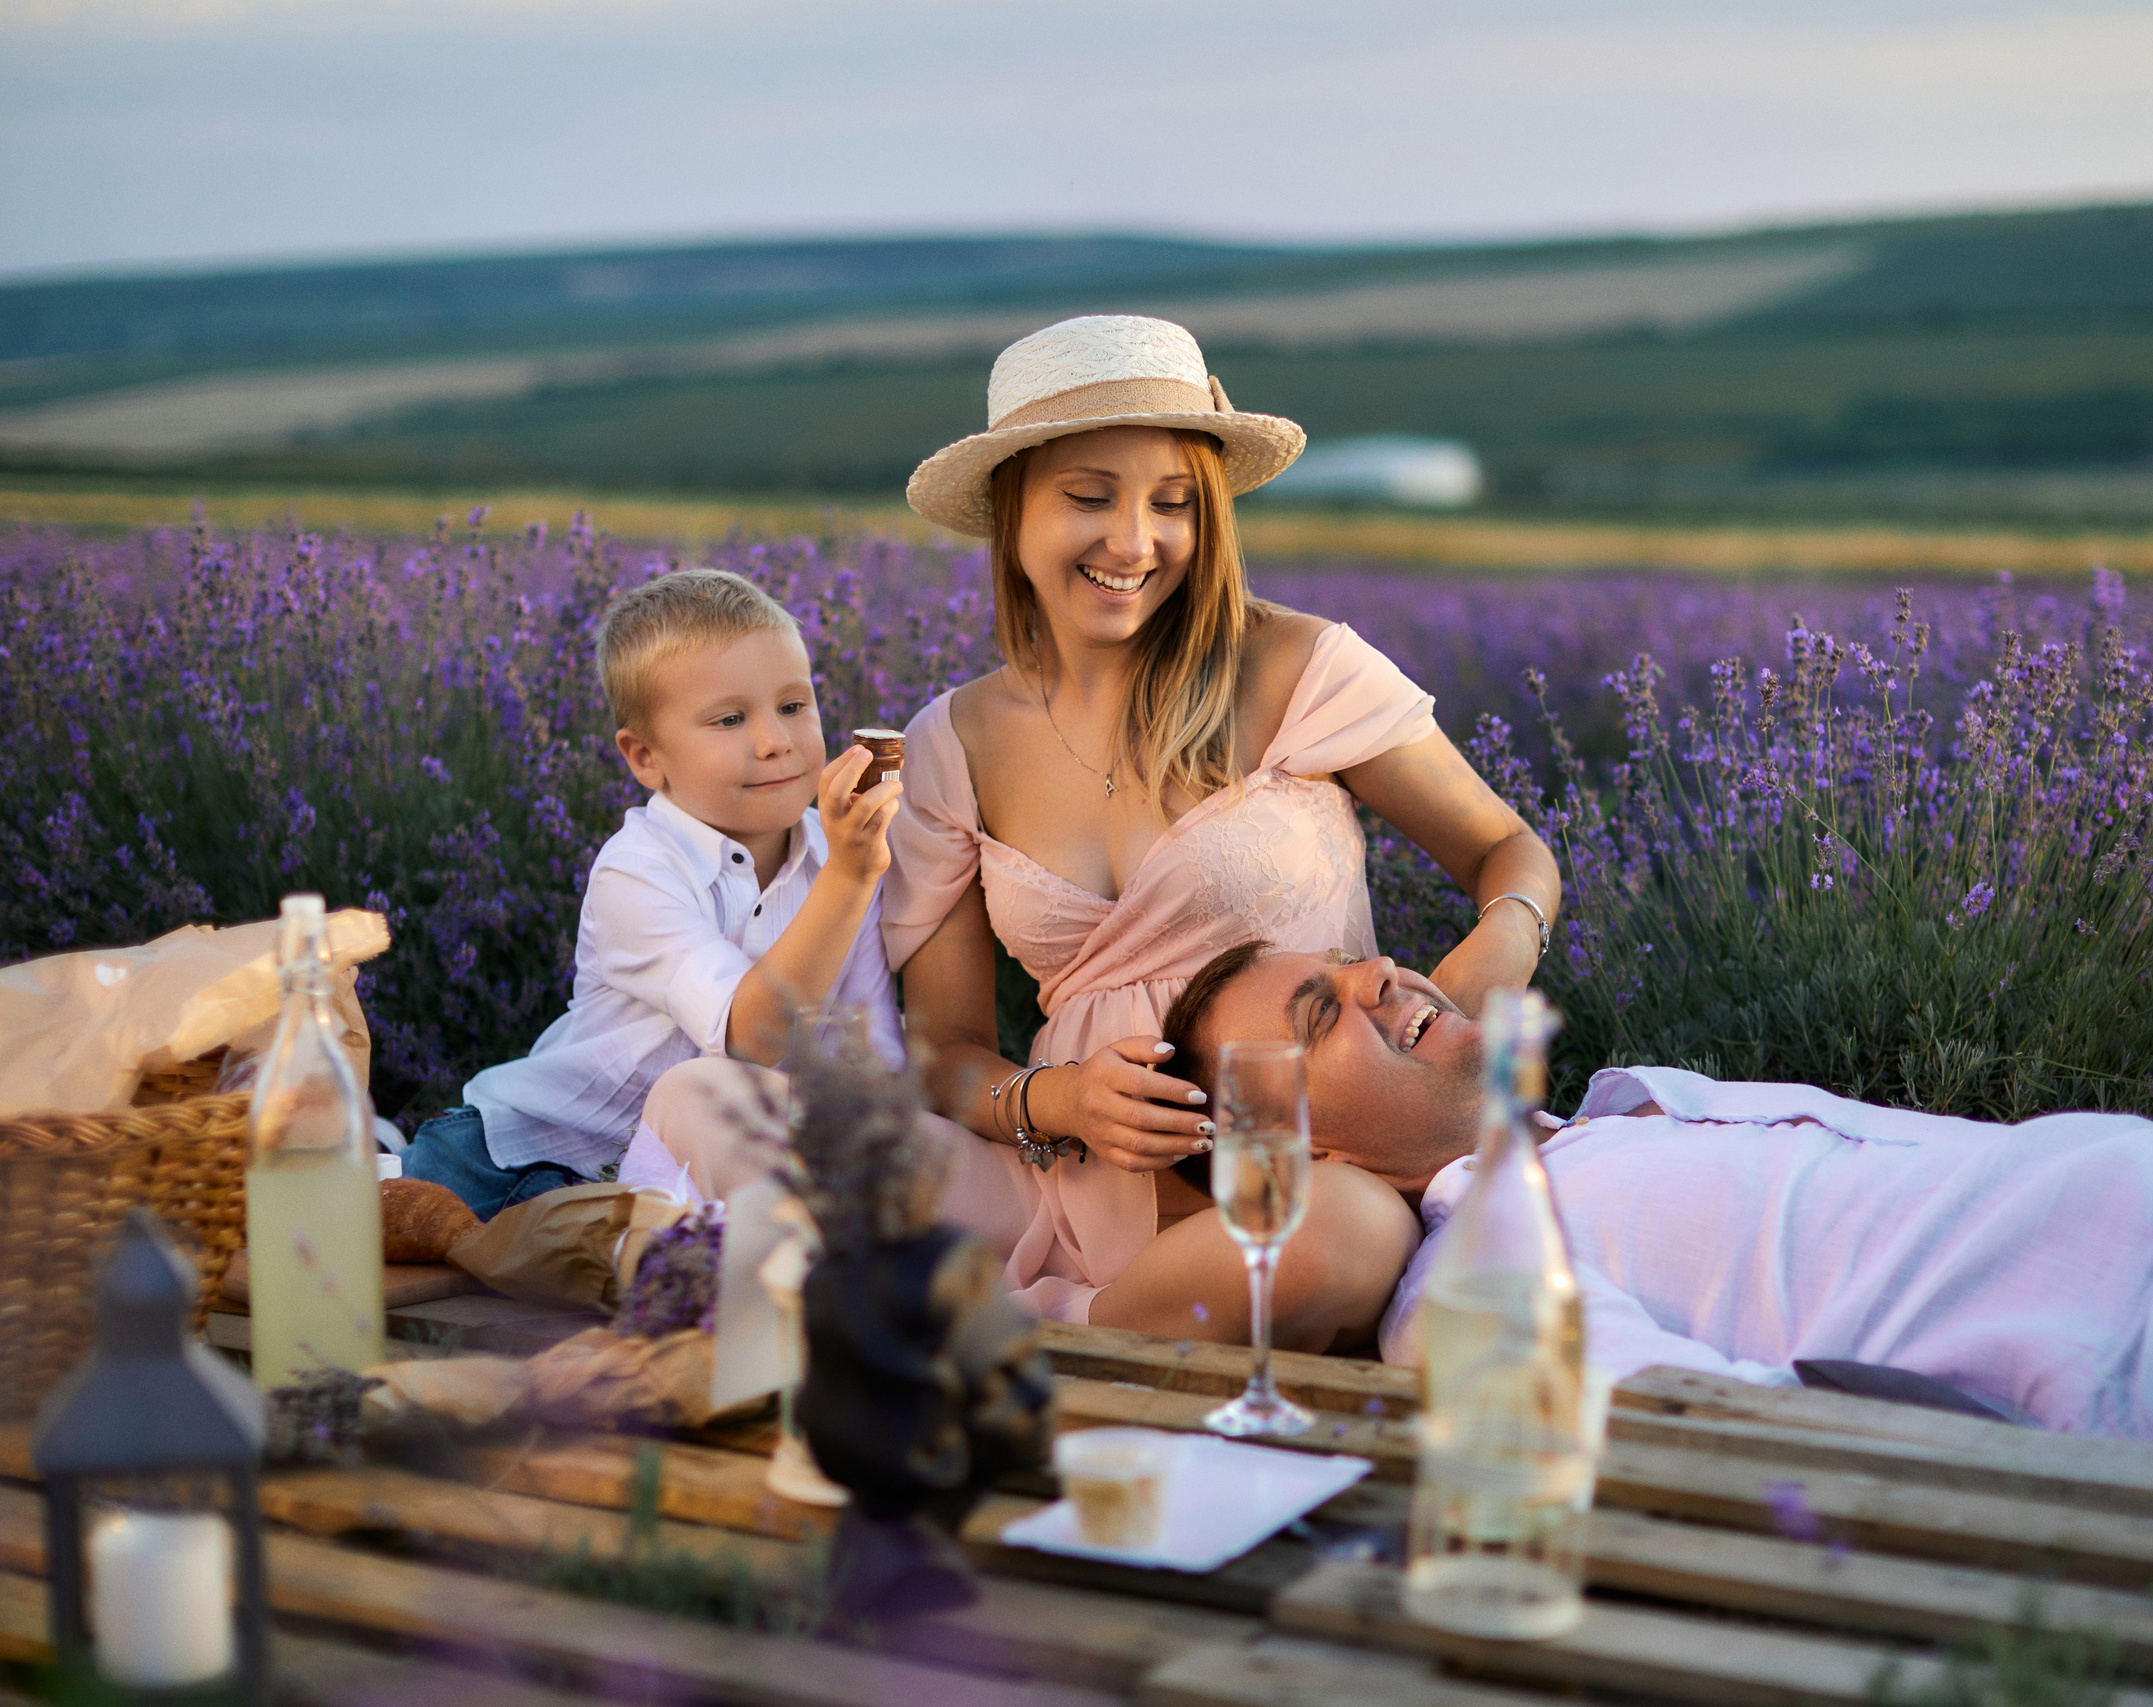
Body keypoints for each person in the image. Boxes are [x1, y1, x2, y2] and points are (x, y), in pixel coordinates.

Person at [1162, 871, 2153, 1464]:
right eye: (1315, 1016)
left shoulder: (1610, 1119)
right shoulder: (1472, 1282)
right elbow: (1742, 1438)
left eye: (1352, 962)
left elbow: (1946, 1225)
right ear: (1304, 1149)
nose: (1375, 975)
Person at [882, 313, 1559, 1346]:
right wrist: (1053, 1100)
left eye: (1172, 504)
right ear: (1010, 514)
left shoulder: (1297, 666)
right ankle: (1073, 1313)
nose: (1133, 542)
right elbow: (943, 1053)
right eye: (1088, 498)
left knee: (1337, 1237)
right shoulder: (952, 744)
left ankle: (1062, 1335)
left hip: (1323, 1155)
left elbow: (1504, 851)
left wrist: (1502, 942)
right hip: (1083, 1181)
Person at [406, 569, 905, 1218]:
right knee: (595, 1241)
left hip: (703, 1161)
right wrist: (850, 878)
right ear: (645, 757)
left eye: (793, 705)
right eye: (730, 718)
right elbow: (755, 1032)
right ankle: (387, 1163)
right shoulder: (637, 871)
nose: (776, 740)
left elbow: (876, 1064)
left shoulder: (843, 860)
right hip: (529, 1158)